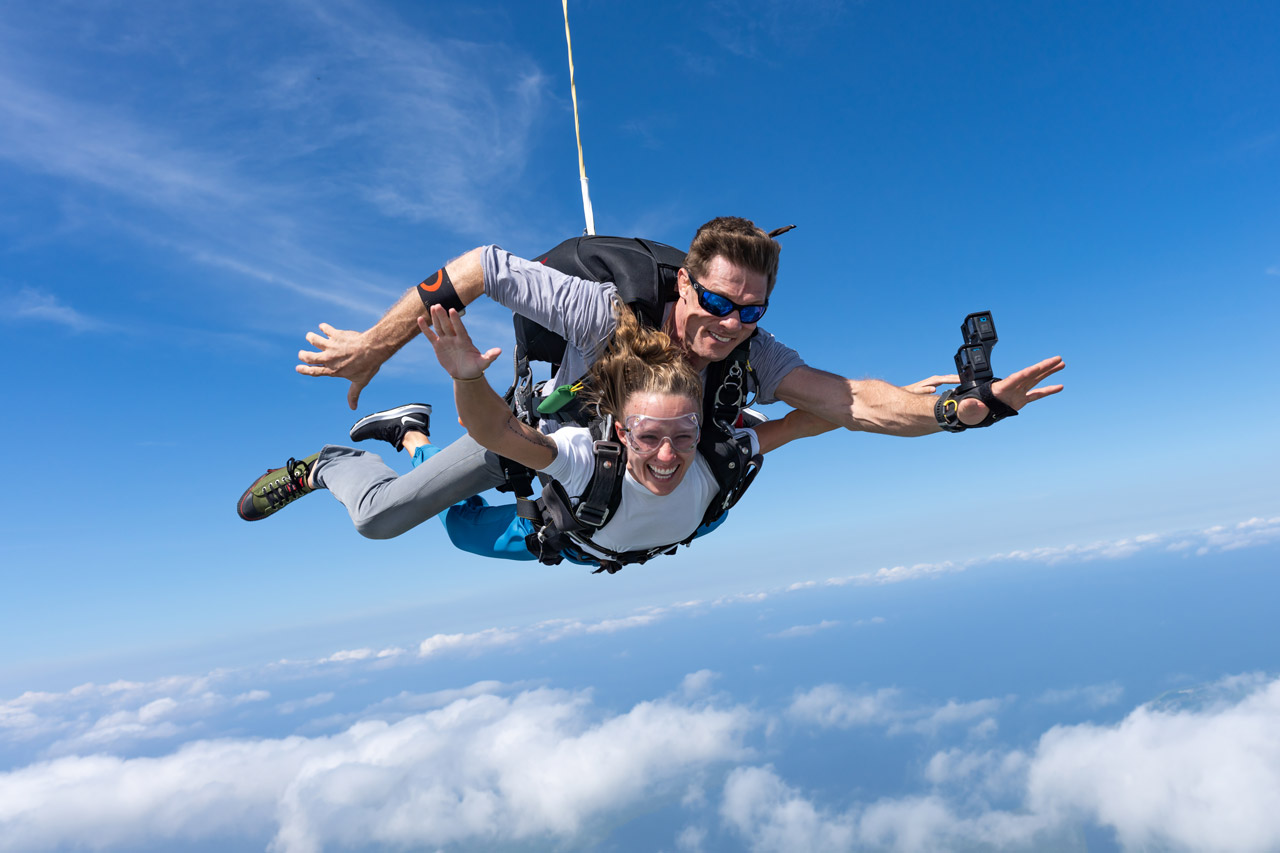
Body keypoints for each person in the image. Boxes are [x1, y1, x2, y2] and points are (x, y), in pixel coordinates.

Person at [238, 217, 1064, 534]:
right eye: (716, 300)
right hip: (534, 435)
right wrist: (375, 346)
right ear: (683, 284)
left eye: (750, 311)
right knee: (383, 520)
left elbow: (849, 401)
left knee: (496, 518)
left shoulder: (749, 353)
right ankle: (336, 462)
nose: (729, 324)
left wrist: (963, 410)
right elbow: (482, 267)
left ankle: (412, 428)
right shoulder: (601, 312)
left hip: (635, 464)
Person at [394, 302, 828, 566]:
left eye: (682, 435)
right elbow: (496, 431)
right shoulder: (585, 463)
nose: (665, 455)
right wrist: (467, 379)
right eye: (647, 436)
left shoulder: (717, 461)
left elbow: (802, 422)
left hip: (623, 536)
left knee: (715, 506)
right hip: (572, 537)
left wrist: (885, 404)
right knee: (460, 527)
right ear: (621, 433)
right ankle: (412, 434)